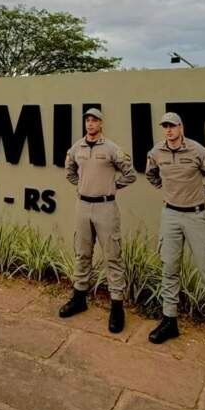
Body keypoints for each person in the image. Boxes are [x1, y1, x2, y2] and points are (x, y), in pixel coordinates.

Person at [145, 112, 205, 364]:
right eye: (165, 127)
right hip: (170, 215)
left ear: (181, 127)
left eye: (173, 126)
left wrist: (199, 193)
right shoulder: (157, 152)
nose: (169, 130)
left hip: (196, 216)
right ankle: (169, 321)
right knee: (169, 268)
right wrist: (169, 191)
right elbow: (151, 174)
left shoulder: (197, 151)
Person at [61, 108, 136, 333]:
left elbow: (129, 173)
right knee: (82, 253)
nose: (90, 124)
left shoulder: (111, 148)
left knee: (112, 256)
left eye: (94, 120)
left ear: (101, 124)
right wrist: (83, 186)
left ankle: (116, 306)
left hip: (106, 207)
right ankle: (79, 298)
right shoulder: (77, 148)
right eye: (87, 120)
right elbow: (70, 172)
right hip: (83, 206)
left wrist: (112, 187)